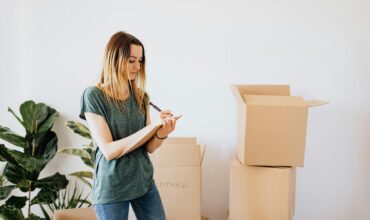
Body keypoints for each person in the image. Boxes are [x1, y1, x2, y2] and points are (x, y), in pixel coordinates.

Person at [79, 31, 179, 220]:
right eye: (131, 60)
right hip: (112, 187)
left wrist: (162, 133)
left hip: (143, 181)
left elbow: (148, 147)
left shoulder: (141, 96)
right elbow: (109, 151)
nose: (137, 66)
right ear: (114, 59)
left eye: (140, 61)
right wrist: (151, 127)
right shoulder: (94, 95)